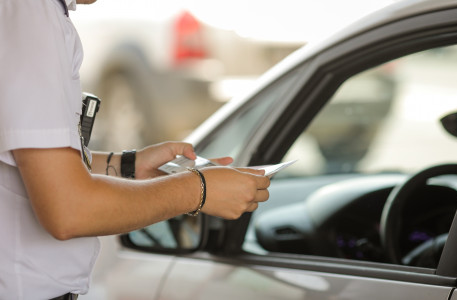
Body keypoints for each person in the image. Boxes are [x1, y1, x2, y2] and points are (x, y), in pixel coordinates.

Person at [0, 0, 271, 299]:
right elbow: (69, 211)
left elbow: (30, 167)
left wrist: (128, 165)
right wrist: (198, 190)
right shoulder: (31, 13)